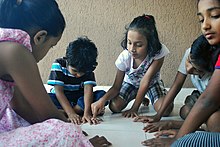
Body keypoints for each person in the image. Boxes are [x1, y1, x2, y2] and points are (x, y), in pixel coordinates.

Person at [0, 0, 111, 146]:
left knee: (18, 119)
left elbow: (19, 106)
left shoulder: (6, 43)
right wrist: (76, 135)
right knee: (65, 132)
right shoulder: (17, 51)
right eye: (51, 46)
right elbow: (47, 113)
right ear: (40, 37)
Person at [141, 0, 220, 146]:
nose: (205, 26)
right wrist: (159, 116)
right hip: (204, 101)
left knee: (209, 123)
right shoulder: (192, 53)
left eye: (215, 15)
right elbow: (177, 85)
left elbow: (209, 100)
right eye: (201, 19)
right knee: (188, 112)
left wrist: (178, 138)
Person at [91, 14, 173, 118]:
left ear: (150, 43)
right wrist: (102, 100)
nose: (132, 49)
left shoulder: (159, 52)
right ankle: (137, 95)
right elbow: (116, 87)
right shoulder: (124, 58)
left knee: (165, 110)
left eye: (139, 45)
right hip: (131, 84)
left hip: (152, 83)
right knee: (114, 106)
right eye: (129, 43)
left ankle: (163, 95)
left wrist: (135, 108)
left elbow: (146, 80)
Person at [134, 35, 213, 126]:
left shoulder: (214, 75)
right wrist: (158, 115)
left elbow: (210, 102)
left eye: (197, 70)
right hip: (201, 94)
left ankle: (204, 123)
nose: (188, 69)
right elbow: (177, 84)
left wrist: (172, 124)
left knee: (211, 121)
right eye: (189, 61)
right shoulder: (190, 53)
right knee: (185, 112)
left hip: (213, 100)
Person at [47, 36, 107, 125]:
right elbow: (59, 92)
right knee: (46, 98)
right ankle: (73, 111)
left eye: (82, 72)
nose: (78, 75)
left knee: (101, 96)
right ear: (67, 61)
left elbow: (88, 90)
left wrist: (87, 113)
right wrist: (71, 113)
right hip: (61, 97)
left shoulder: (88, 68)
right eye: (74, 71)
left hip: (79, 97)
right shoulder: (58, 64)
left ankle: (64, 111)